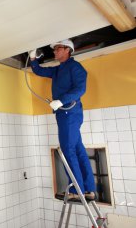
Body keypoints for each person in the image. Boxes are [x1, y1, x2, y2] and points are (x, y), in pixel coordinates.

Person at [29, 40, 96, 201]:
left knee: (68, 150)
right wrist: (32, 58)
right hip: (64, 114)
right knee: (78, 150)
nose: (54, 52)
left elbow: (80, 89)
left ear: (67, 50)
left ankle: (76, 190)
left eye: (57, 48)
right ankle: (88, 190)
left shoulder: (76, 68)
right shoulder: (59, 70)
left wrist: (61, 101)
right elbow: (38, 71)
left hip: (70, 113)